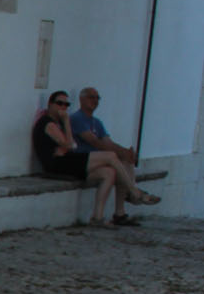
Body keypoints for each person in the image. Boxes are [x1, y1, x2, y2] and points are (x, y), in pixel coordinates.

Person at [31, 90, 148, 226]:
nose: (63, 107)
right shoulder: (48, 123)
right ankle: (134, 191)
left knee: (109, 173)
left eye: (66, 104)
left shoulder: (60, 123)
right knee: (111, 156)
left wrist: (65, 145)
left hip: (67, 160)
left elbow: (69, 145)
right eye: (59, 103)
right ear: (50, 104)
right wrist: (67, 123)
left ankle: (97, 218)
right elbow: (71, 144)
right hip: (57, 164)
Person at [69, 86, 161, 226]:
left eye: (97, 98)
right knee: (115, 159)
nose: (95, 101)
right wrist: (122, 152)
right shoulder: (77, 118)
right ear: (82, 99)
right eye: (91, 97)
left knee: (124, 162)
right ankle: (134, 192)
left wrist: (126, 153)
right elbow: (95, 142)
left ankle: (120, 213)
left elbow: (108, 142)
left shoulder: (97, 122)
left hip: (99, 160)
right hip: (84, 160)